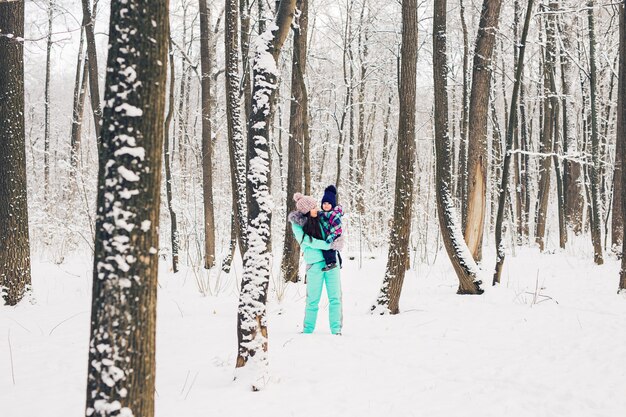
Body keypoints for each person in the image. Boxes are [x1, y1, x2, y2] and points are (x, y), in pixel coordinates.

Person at [289, 193, 345, 335]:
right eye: (313, 207)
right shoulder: (297, 225)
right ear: (307, 210)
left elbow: (335, 224)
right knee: (312, 300)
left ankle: (336, 330)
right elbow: (307, 241)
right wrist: (329, 245)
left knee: (335, 298)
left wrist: (337, 241)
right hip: (314, 265)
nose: (317, 208)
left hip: (332, 262)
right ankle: (308, 330)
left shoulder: (321, 218)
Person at [318, 185, 343, 271]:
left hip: (333, 235)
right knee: (325, 249)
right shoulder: (322, 214)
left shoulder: (334, 214)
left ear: (332, 204)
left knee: (330, 249)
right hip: (327, 235)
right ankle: (329, 263)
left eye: (329, 203)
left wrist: (331, 237)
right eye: (324, 203)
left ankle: (332, 262)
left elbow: (337, 227)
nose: (326, 205)